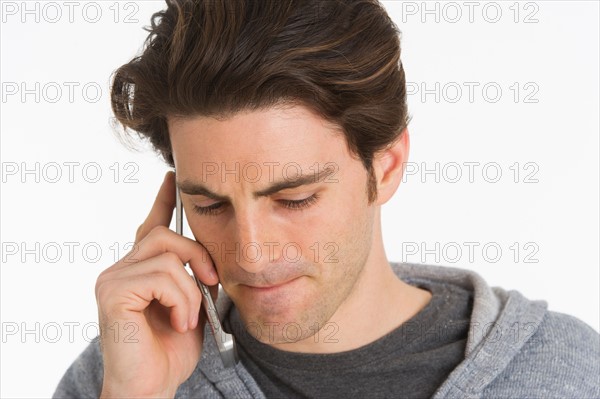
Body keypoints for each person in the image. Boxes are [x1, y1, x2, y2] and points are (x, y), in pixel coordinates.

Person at [54, 0, 599, 398]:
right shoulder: (122, 370)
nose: (252, 254)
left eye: (294, 198)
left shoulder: (565, 372)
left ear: (384, 168)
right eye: (211, 206)